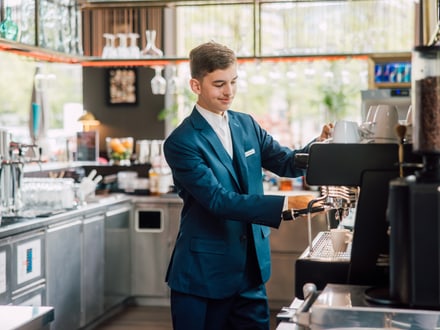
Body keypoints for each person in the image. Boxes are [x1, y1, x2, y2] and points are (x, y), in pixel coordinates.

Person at [163, 41, 332, 330]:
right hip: (203, 277)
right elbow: (219, 200)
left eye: (233, 82)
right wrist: (286, 204)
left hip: (251, 273)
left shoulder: (247, 124)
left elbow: (287, 162)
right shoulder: (182, 142)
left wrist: (324, 146)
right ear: (196, 85)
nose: (229, 92)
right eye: (219, 84)